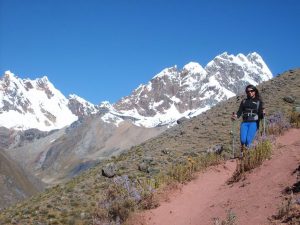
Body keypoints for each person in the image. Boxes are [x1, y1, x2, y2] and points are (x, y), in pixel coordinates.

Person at [231, 84, 265, 152]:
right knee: (243, 140)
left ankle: (247, 156)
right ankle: (243, 151)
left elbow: (260, 114)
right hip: (244, 122)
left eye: (251, 91)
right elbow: (240, 112)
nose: (250, 92)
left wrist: (263, 114)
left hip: (254, 123)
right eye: (248, 91)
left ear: (255, 91)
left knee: (248, 140)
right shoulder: (244, 101)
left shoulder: (258, 102)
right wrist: (235, 116)